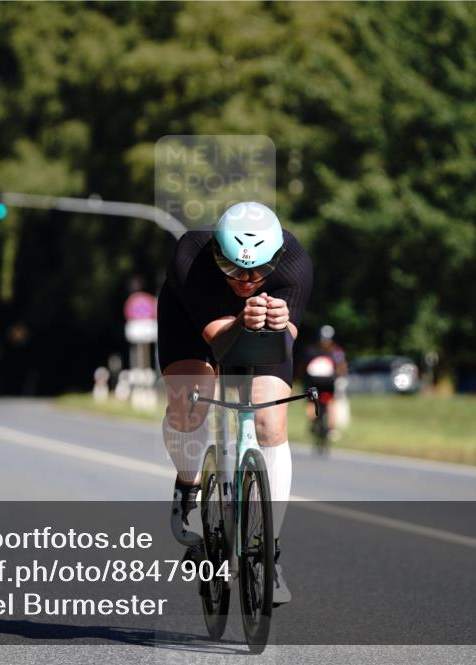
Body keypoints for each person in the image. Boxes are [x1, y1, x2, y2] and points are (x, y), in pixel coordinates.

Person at [157, 201, 313, 605]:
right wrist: (243, 319)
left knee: (270, 421)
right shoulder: (191, 255)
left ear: (276, 259)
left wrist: (279, 325)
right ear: (217, 256)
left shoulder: (294, 263)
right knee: (189, 402)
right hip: (193, 320)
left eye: (259, 270)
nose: (246, 279)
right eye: (233, 269)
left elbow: (284, 344)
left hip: (258, 327)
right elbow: (220, 343)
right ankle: (188, 486)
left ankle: (268, 553)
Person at [303, 325, 349, 441]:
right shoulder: (336, 351)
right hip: (328, 382)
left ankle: (313, 422)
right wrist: (341, 376)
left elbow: (303, 367)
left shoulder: (310, 350)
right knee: (331, 402)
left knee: (312, 401)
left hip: (313, 381)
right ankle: (331, 429)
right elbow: (341, 366)